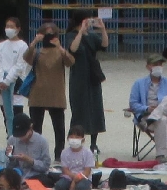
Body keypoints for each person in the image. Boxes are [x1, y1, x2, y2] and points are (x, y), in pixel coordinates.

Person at [27, 22, 73, 140]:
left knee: (59, 127)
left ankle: (59, 153)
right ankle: (37, 152)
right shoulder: (37, 52)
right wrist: (34, 42)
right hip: (37, 93)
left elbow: (70, 62)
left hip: (56, 94)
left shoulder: (60, 52)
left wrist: (60, 47)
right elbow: (26, 58)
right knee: (36, 127)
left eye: (51, 35)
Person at [69, 13, 109, 150]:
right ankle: (75, 138)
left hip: (92, 76)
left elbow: (104, 45)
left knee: (95, 108)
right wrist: (80, 31)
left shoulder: (92, 36)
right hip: (78, 77)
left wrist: (102, 29)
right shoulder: (72, 35)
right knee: (79, 109)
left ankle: (93, 142)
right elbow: (73, 49)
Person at [128, 59, 167, 157]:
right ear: (148, 66)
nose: (159, 66)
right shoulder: (139, 84)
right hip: (147, 117)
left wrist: (158, 109)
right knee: (162, 120)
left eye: (160, 64)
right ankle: (161, 155)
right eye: (155, 64)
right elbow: (133, 104)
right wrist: (147, 108)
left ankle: (155, 116)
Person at [0, 18, 28, 137]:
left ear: (18, 29)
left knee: (16, 112)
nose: (8, 29)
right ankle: (10, 136)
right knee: (6, 113)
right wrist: (1, 80)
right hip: (2, 82)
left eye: (12, 26)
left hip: (16, 81)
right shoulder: (1, 45)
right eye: (7, 26)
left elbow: (19, 66)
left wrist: (8, 80)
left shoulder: (23, 45)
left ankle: (19, 136)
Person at [5, 109, 54, 182]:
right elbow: (11, 165)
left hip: (36, 175)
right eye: (18, 135)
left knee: (45, 180)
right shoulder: (12, 139)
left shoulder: (42, 141)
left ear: (30, 128)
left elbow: (45, 166)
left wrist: (29, 160)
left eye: (23, 134)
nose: (21, 138)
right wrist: (10, 156)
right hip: (18, 174)